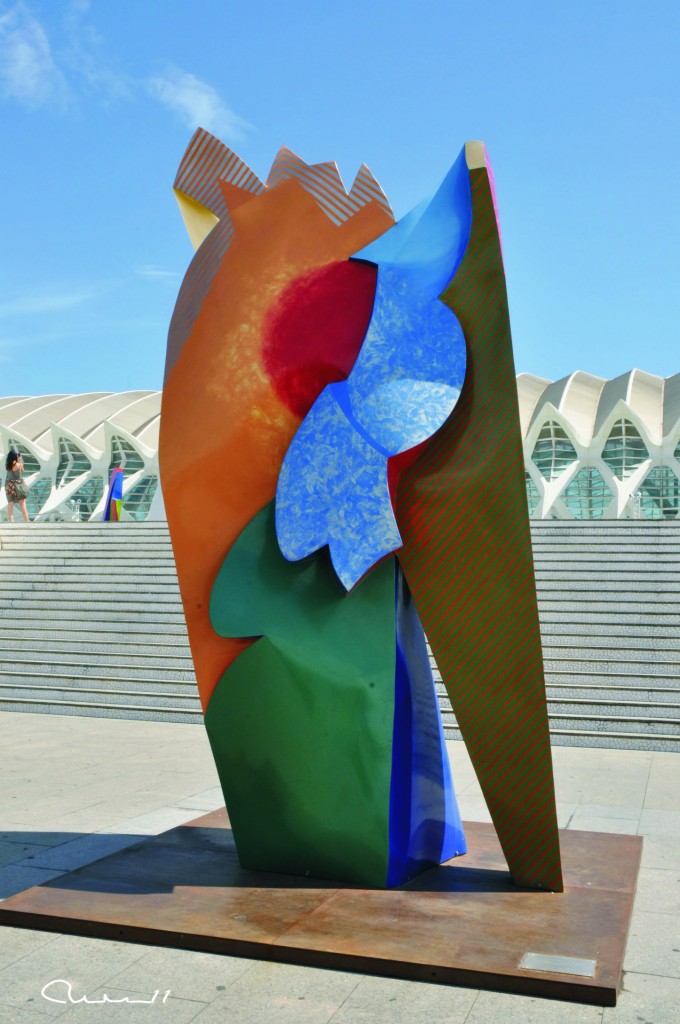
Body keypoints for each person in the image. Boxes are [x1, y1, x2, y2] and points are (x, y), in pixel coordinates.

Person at [5, 449, 30, 523]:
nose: (19, 456)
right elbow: (22, 470)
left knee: (10, 503)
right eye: (18, 455)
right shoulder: (18, 464)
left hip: (9, 486)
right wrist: (20, 460)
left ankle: (12, 522)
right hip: (18, 486)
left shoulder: (7, 465)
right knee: (22, 504)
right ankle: (27, 521)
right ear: (15, 457)